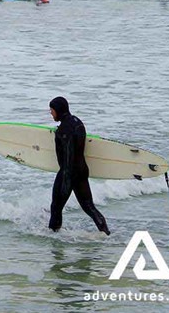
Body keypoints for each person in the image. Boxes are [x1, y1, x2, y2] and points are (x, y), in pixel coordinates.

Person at [47, 96, 109, 235]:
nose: (51, 113)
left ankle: (53, 238)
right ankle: (106, 233)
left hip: (68, 172)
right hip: (81, 170)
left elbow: (69, 155)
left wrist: (66, 180)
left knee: (56, 207)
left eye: (52, 110)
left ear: (58, 110)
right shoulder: (77, 122)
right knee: (89, 206)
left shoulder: (65, 130)